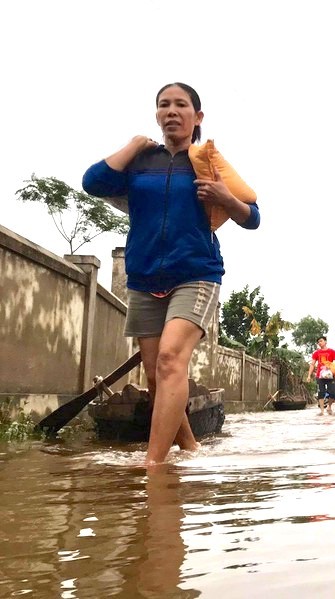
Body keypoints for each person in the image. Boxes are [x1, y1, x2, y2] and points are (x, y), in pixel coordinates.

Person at [82, 82, 260, 465]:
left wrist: (223, 198)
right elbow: (92, 183)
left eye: (181, 105)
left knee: (168, 361)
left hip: (196, 272)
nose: (172, 111)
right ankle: (191, 448)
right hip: (144, 275)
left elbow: (253, 217)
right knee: (154, 374)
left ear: (198, 117)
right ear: (157, 115)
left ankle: (153, 466)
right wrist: (133, 144)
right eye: (164, 105)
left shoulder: (207, 163)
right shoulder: (142, 162)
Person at [305, 336, 335, 415]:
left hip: (330, 375)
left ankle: (329, 406)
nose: (320, 343)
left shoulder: (332, 351)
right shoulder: (316, 353)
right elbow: (312, 364)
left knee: (333, 393)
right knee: (321, 392)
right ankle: (322, 411)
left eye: (321, 341)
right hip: (319, 376)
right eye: (318, 342)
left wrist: (330, 365)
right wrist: (309, 375)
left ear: (325, 341)